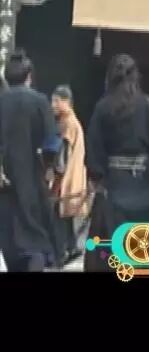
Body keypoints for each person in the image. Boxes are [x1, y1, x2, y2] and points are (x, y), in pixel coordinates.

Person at [84, 54, 149, 271]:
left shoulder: (102, 108)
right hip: (144, 184)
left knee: (108, 247)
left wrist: (98, 177)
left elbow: (94, 149)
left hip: (112, 186)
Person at [0, 50, 61, 271]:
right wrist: (49, 166)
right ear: (29, 77)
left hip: (4, 183)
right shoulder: (39, 101)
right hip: (32, 180)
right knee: (36, 240)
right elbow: (52, 142)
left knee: (9, 239)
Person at [50, 85, 89, 263]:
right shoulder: (70, 122)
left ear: (67, 102)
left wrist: (56, 178)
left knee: (59, 215)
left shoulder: (68, 123)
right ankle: (71, 247)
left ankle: (62, 251)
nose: (53, 105)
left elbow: (62, 158)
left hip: (66, 177)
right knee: (66, 218)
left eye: (56, 101)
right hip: (72, 175)